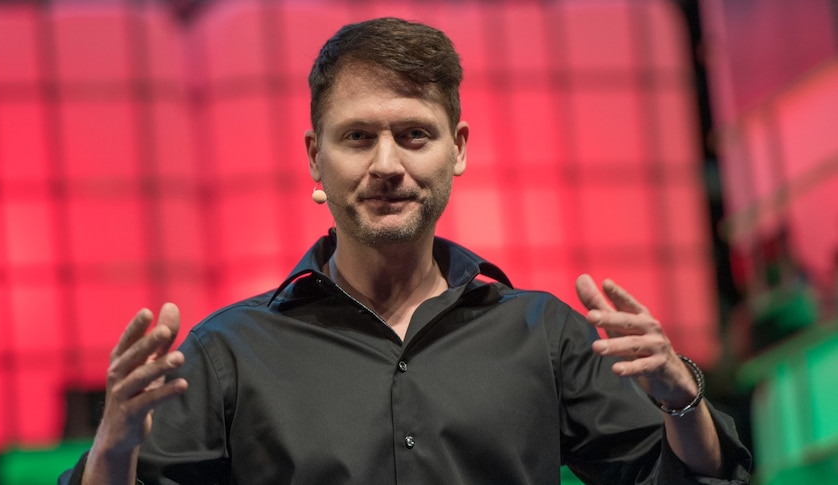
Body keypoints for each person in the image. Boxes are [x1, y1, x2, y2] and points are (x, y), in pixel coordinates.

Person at [60, 17, 751, 484]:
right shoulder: (227, 354)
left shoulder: (543, 334)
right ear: (314, 158)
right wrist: (114, 450)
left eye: (415, 135)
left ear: (459, 149)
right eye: (357, 137)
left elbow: (691, 475)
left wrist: (683, 400)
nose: (387, 164)